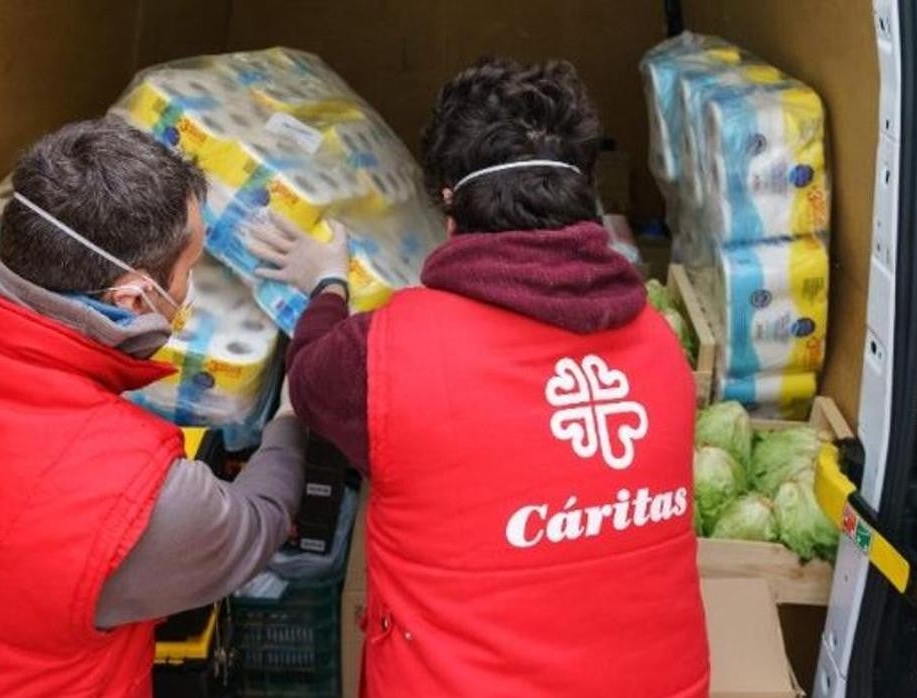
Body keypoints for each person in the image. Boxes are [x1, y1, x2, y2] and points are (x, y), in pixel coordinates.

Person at [251, 58, 709, 697]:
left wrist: (327, 282)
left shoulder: (386, 355)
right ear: (585, 197)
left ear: (449, 206)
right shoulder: (659, 348)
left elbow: (309, 383)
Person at [0, 118, 305, 697]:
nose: (189, 291)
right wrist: (291, 417)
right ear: (132, 298)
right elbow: (254, 524)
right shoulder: (137, 498)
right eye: (189, 271)